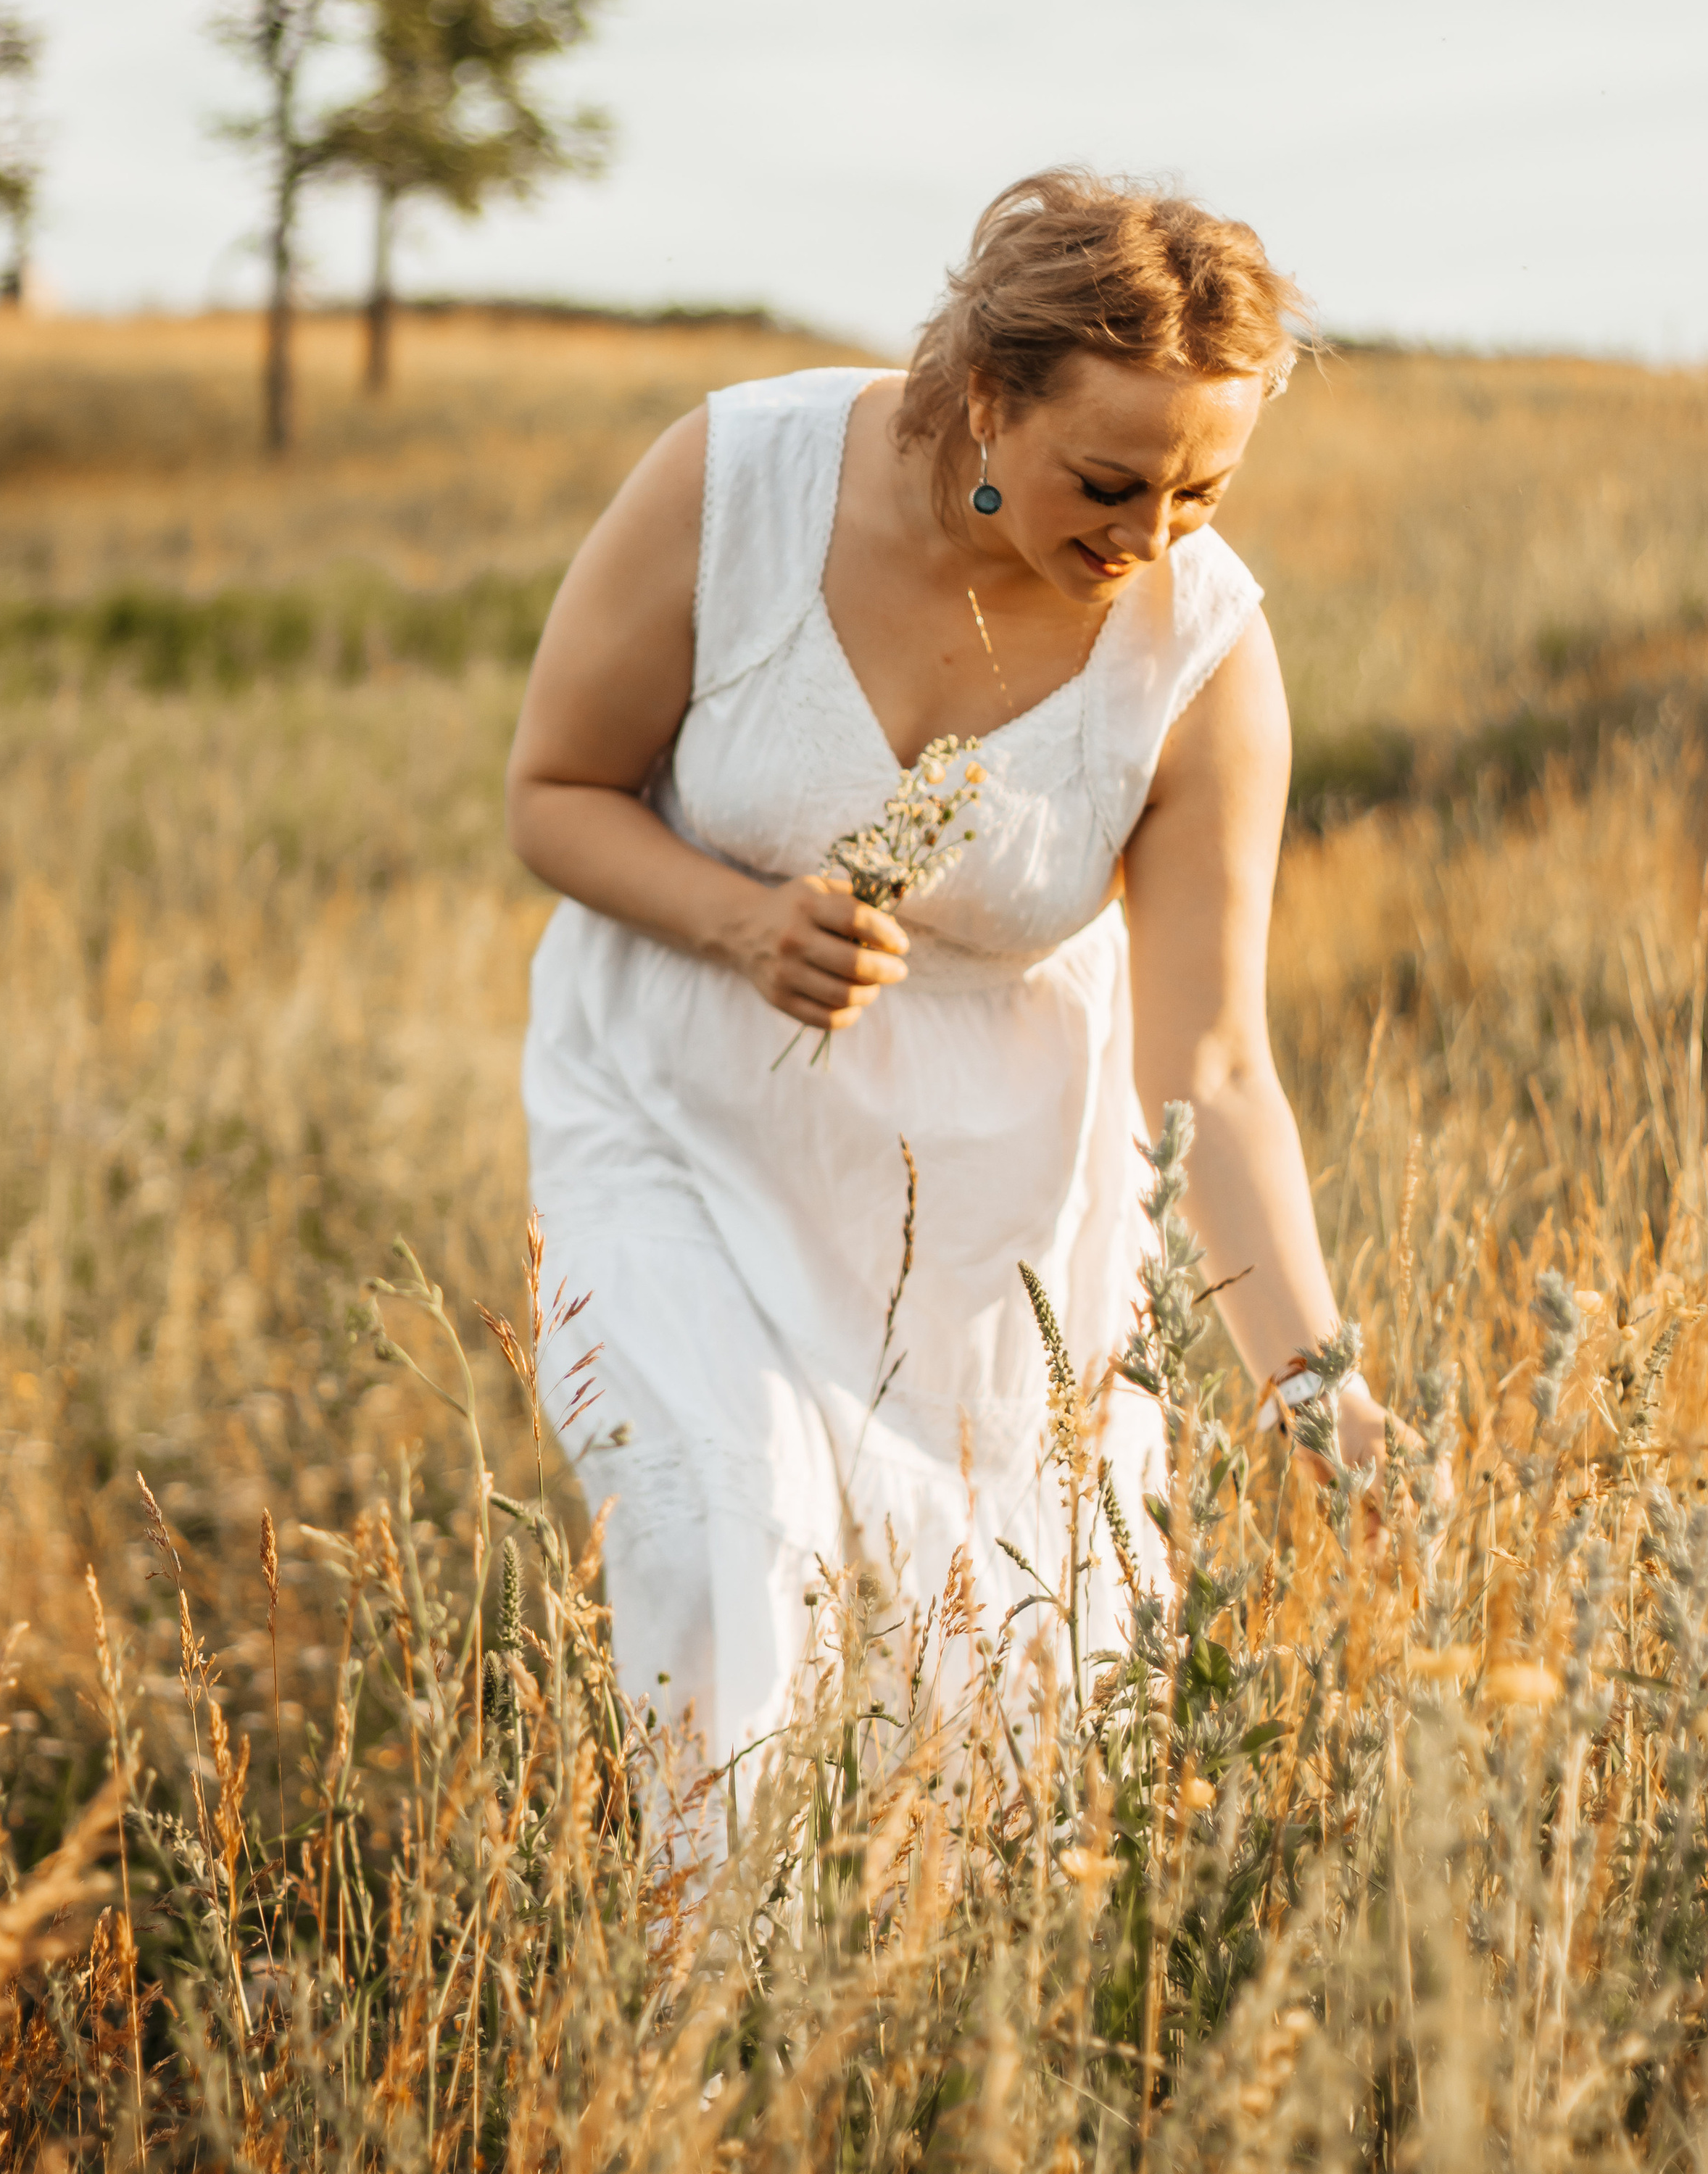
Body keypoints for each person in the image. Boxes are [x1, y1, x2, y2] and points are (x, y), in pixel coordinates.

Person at [509, 169, 1388, 1756]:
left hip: (990, 1215)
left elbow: (1212, 1065)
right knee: (731, 1525)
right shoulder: (739, 481)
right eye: (1109, 482)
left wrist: (1308, 1377)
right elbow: (550, 797)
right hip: (676, 1116)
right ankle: (709, 1992)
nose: (1148, 539)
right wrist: (744, 919)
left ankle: (917, 1997)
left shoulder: (1201, 649)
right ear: (985, 399)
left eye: (1201, 494)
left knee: (988, 1665)